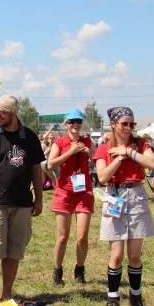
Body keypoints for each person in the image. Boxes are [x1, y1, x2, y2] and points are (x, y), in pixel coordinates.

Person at [93, 106, 154, 306]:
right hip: (114, 195)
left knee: (134, 254)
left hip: (136, 195)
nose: (129, 128)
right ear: (113, 124)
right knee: (117, 254)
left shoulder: (140, 144)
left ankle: (136, 297)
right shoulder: (104, 148)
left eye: (132, 124)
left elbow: (153, 164)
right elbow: (102, 178)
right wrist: (119, 158)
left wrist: (130, 152)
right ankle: (113, 299)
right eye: (125, 124)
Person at [0, 95, 44, 301]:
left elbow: (36, 169)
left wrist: (39, 199)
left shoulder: (30, 137)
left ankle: (7, 293)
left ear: (14, 113)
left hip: (23, 203)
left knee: (14, 251)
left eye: (2, 112)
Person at [47, 109, 95, 287]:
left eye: (79, 121)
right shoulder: (59, 142)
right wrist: (71, 151)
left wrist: (88, 152)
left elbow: (98, 160)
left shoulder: (88, 141)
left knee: (82, 237)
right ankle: (57, 270)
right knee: (63, 236)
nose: (76, 124)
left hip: (84, 192)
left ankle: (79, 270)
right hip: (64, 192)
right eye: (72, 121)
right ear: (66, 124)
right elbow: (50, 164)